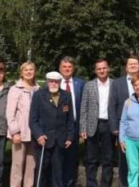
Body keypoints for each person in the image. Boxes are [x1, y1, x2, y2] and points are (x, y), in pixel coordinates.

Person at [110, 54, 139, 187]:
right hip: (124, 128)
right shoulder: (117, 83)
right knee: (124, 160)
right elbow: (112, 105)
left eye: (135, 64)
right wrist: (114, 127)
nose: (133, 66)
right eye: (130, 64)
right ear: (126, 67)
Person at [31, 71, 75, 187]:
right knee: (42, 171)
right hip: (43, 140)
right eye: (51, 81)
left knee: (58, 172)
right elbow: (33, 120)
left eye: (56, 82)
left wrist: (70, 136)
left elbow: (70, 119)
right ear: (47, 82)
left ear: (60, 82)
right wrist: (39, 134)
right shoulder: (38, 95)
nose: (53, 84)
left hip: (60, 140)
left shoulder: (66, 96)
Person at [80, 59, 115, 187]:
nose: (102, 71)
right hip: (91, 126)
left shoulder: (114, 84)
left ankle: (105, 184)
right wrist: (82, 128)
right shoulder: (89, 85)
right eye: (99, 69)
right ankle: (91, 184)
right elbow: (84, 108)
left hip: (109, 125)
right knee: (91, 159)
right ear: (95, 71)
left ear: (108, 69)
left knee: (108, 159)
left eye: (104, 68)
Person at [7, 62, 39, 187]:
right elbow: (10, 113)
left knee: (31, 166)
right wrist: (15, 132)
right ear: (21, 73)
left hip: (34, 134)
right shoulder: (15, 89)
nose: (29, 72)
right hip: (20, 133)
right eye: (26, 70)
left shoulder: (38, 89)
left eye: (31, 69)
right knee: (17, 165)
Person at [58, 57, 85, 187]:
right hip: (57, 128)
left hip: (73, 127)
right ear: (60, 69)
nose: (67, 69)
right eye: (64, 67)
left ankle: (69, 183)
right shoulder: (53, 83)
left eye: (69, 67)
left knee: (71, 159)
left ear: (73, 69)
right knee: (57, 159)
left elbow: (83, 107)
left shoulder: (80, 84)